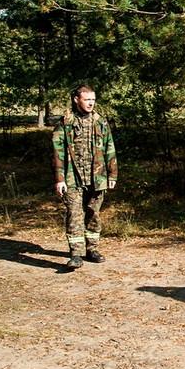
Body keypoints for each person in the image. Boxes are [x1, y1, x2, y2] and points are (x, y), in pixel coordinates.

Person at [52, 84, 118, 270]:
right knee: (74, 214)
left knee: (93, 213)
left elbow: (110, 148)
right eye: (87, 99)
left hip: (97, 177)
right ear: (76, 100)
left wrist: (112, 174)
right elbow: (57, 153)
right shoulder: (65, 123)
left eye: (93, 100)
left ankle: (92, 250)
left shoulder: (101, 122)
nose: (91, 103)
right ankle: (76, 254)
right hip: (72, 177)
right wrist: (60, 179)